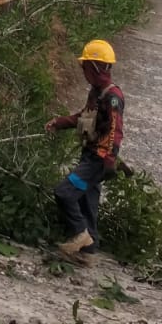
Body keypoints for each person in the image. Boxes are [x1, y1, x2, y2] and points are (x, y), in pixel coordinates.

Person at [46, 38, 125, 265]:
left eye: (85, 66)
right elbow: (84, 116)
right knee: (87, 203)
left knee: (65, 192)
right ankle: (88, 253)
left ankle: (81, 236)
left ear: (95, 67)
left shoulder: (112, 98)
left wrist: (109, 160)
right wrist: (59, 123)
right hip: (90, 156)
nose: (82, 70)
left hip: (97, 161)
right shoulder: (96, 93)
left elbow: (115, 130)